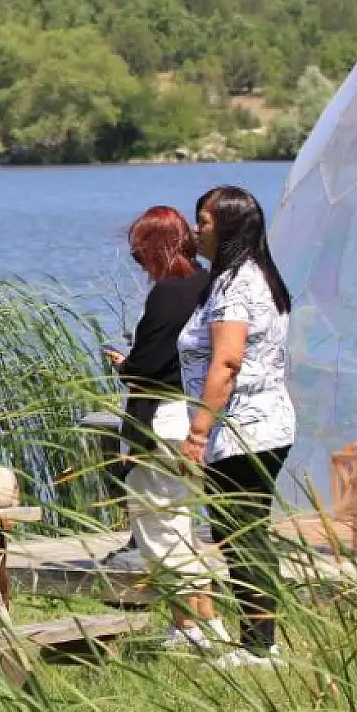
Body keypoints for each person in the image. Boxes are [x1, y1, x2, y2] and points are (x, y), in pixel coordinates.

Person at [178, 186, 296, 668]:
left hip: (241, 427)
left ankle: (258, 645)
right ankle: (259, 636)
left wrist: (198, 432)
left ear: (226, 227)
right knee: (243, 532)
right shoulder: (253, 275)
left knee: (239, 533)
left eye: (203, 221)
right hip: (264, 423)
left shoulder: (235, 285)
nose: (196, 229)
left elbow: (226, 361)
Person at [106, 207, 226, 651]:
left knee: (160, 527)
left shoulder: (168, 294)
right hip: (197, 417)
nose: (138, 260)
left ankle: (197, 630)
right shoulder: (208, 284)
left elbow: (150, 366)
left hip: (162, 420)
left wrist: (125, 364)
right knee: (182, 522)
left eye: (140, 251)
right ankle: (196, 625)